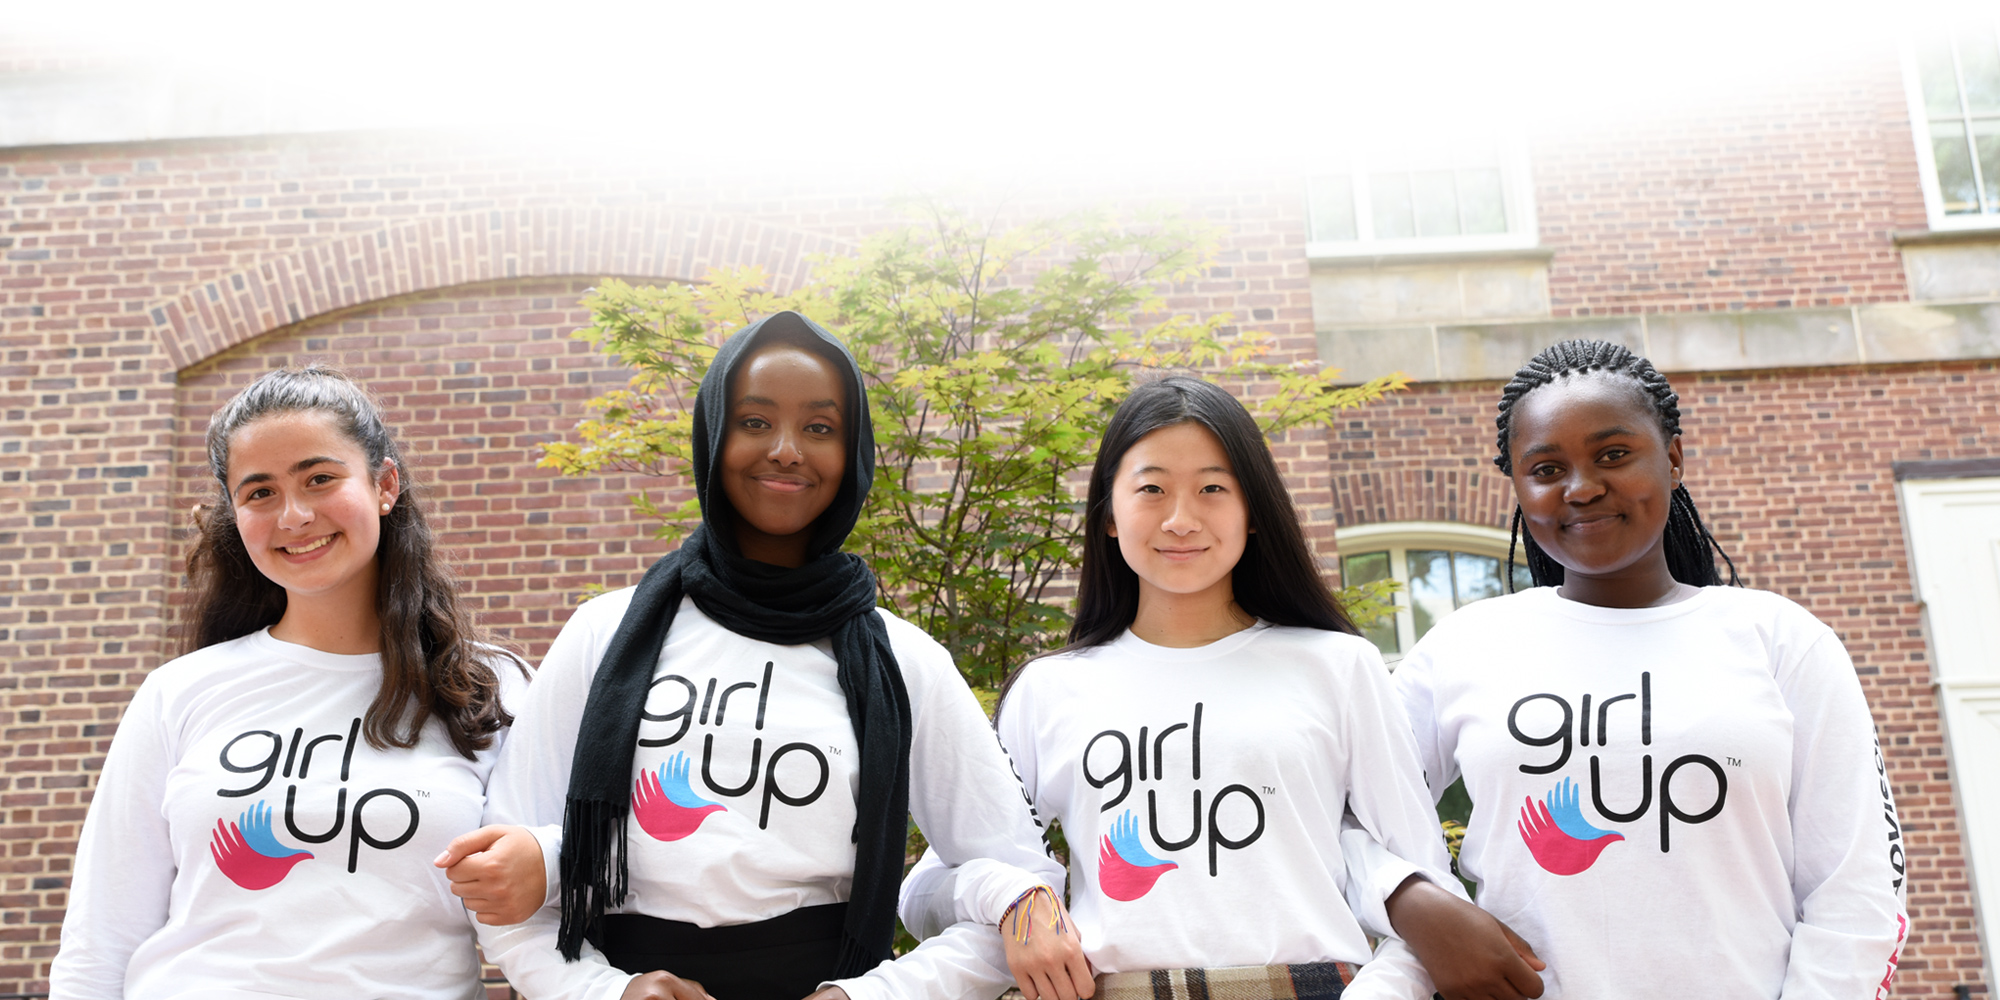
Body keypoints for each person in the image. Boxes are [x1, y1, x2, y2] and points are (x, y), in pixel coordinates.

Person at [472, 311, 1069, 1000]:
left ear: (852, 453)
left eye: (819, 428)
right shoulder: (603, 635)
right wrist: (606, 993)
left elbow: (1019, 887)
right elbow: (498, 880)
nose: (786, 450)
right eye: (755, 421)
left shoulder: (906, 663)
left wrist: (872, 997)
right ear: (714, 434)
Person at [1358, 339, 1909, 999]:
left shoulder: (1782, 641)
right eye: (1547, 468)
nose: (1582, 488)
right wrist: (1412, 901)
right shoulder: (1464, 647)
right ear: (1519, 488)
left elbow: (1856, 888)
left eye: (1613, 455)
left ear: (1672, 459)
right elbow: (1340, 810)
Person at [902, 375, 1458, 1000]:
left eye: (1213, 488)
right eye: (1152, 489)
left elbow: (1427, 891)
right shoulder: (1049, 690)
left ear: (1253, 512)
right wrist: (1014, 898)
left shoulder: (1341, 667)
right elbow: (925, 894)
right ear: (1108, 515)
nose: (1181, 519)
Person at [49, 365, 541, 999]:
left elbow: (539, 903)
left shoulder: (488, 685)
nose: (295, 515)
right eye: (260, 492)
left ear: (384, 485)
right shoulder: (180, 692)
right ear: (235, 514)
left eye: (319, 479)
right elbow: (101, 935)